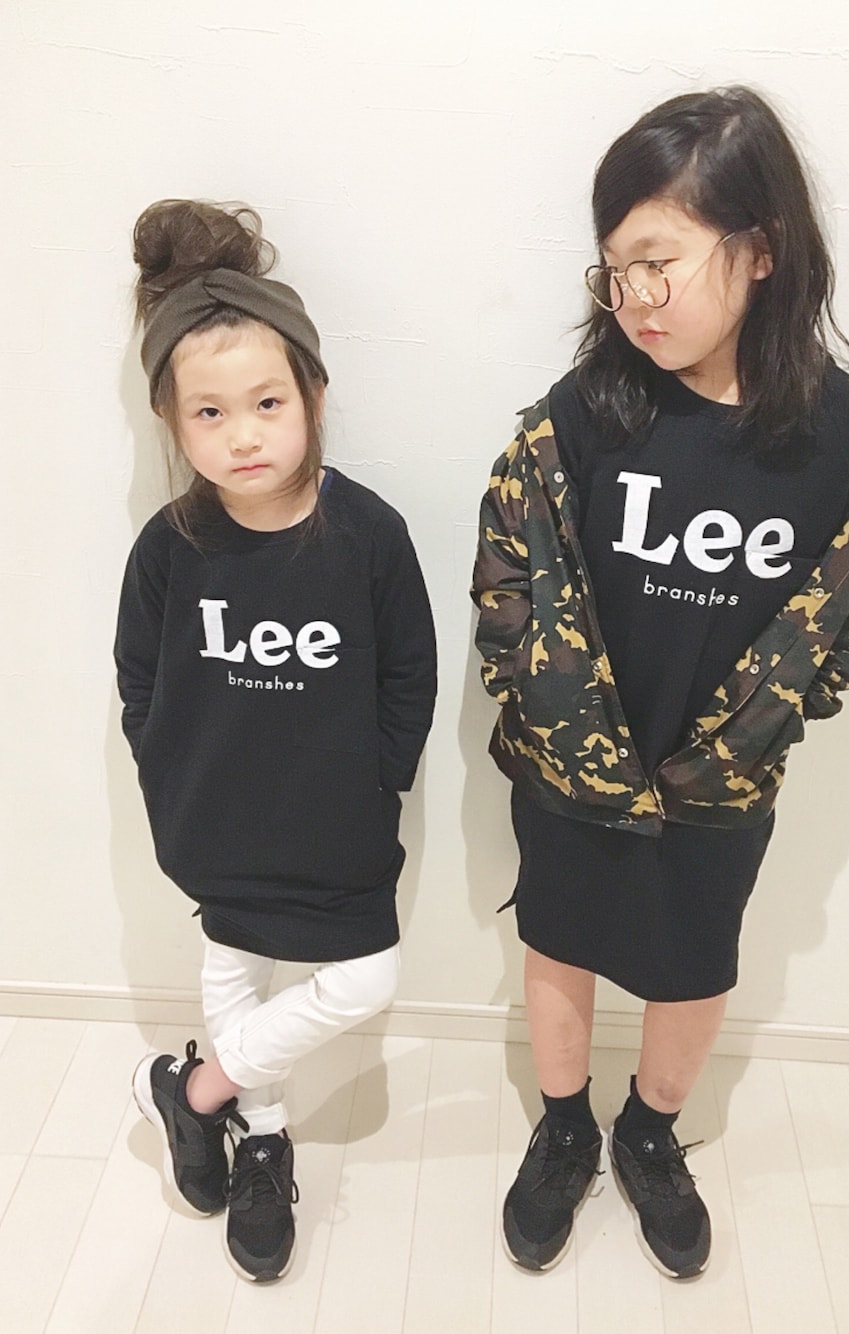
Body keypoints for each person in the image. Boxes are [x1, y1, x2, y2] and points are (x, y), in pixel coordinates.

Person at [472, 86, 849, 1278]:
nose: (634, 298)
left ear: (759, 248)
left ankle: (648, 1132)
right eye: (615, 270)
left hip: (718, 782)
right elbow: (507, 569)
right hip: (571, 765)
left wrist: (762, 729)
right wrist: (554, 719)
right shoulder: (585, 413)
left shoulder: (843, 435)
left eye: (658, 262)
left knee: (695, 956)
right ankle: (564, 1125)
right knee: (557, 937)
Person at [115, 200, 436, 1282]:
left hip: (338, 820)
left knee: (365, 978)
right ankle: (261, 1134)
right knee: (233, 966)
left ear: (313, 396)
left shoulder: (368, 534)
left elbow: (409, 674)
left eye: (266, 403)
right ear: (173, 424)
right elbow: (140, 673)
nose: (242, 435)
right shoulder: (171, 547)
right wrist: (165, 766)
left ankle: (192, 1090)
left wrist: (380, 778)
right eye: (209, 413)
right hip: (214, 812)